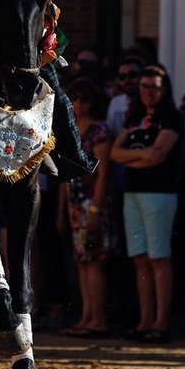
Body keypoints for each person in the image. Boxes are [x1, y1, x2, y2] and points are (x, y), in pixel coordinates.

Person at [111, 65, 183, 343]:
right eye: (144, 86)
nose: (149, 92)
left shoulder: (172, 119)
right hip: (133, 193)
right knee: (140, 258)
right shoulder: (136, 118)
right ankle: (145, 320)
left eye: (154, 87)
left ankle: (161, 322)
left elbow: (158, 156)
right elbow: (115, 153)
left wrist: (136, 157)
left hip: (160, 194)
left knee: (159, 258)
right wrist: (140, 156)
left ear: (163, 90)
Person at [57, 78, 114, 337]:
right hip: (74, 203)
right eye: (76, 98)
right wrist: (60, 211)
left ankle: (97, 319)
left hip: (92, 204)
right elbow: (64, 176)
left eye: (85, 99)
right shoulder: (69, 129)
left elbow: (104, 174)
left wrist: (95, 209)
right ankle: (86, 317)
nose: (80, 103)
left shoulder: (99, 131)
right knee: (81, 262)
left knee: (92, 261)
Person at [106, 56, 144, 137]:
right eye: (122, 77)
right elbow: (110, 132)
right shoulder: (115, 102)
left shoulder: (149, 101)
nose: (127, 80)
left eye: (132, 75)